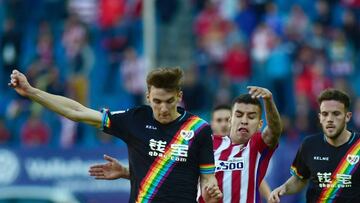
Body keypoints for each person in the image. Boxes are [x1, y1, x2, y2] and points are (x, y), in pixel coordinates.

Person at [9, 68, 222, 203]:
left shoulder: (199, 129)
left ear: (179, 96)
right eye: (157, 101)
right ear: (148, 96)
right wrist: (32, 92)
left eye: (169, 101)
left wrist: (211, 191)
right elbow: (77, 112)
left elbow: (207, 179)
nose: (163, 108)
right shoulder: (135, 119)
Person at [90, 86, 283, 202]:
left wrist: (269, 101)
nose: (244, 121)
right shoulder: (205, 142)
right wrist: (126, 172)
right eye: (239, 115)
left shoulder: (256, 147)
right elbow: (175, 175)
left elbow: (274, 130)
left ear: (259, 124)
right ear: (231, 118)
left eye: (251, 117)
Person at [269, 88, 360, 203]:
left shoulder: (358, 146)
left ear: (347, 116)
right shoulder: (309, 144)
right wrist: (283, 188)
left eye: (336, 114)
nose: (330, 119)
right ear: (320, 118)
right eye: (325, 114)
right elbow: (299, 180)